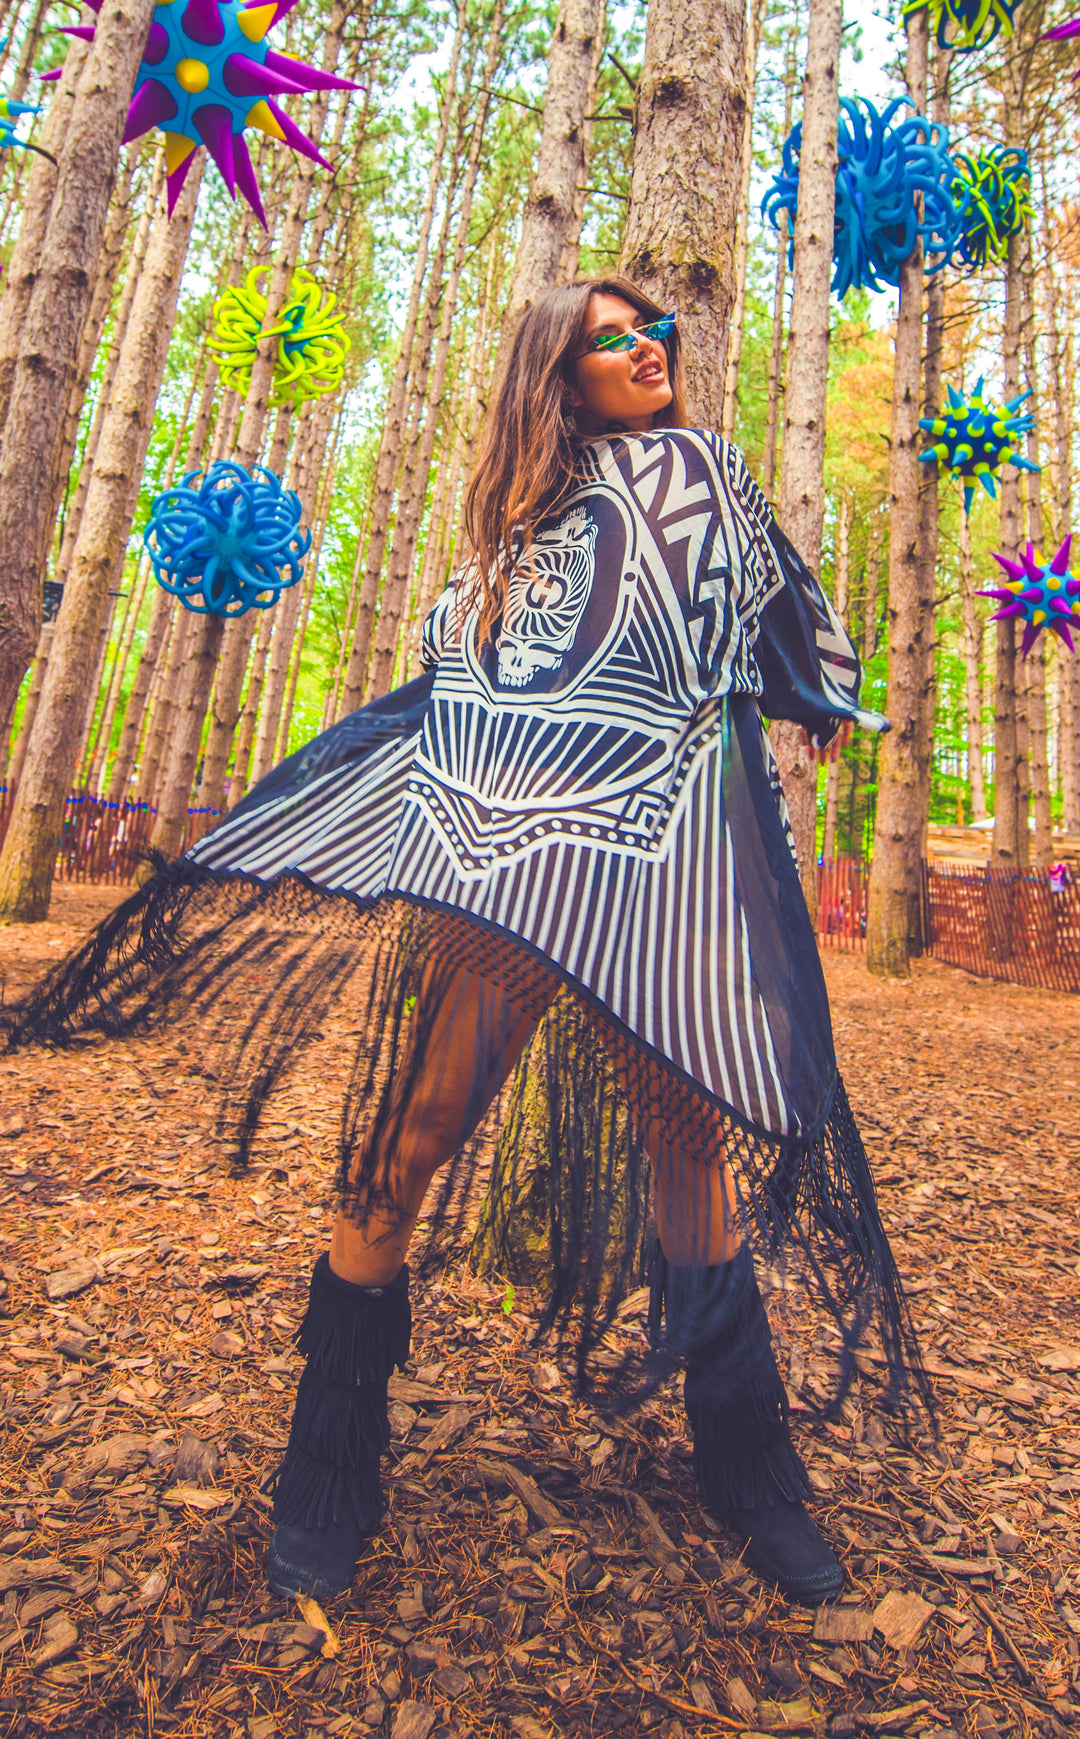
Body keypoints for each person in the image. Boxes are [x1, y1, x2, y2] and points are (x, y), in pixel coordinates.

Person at [11, 276, 922, 1612]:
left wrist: (815, 692)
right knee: (416, 1130)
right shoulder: (517, 528)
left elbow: (773, 603)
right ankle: (329, 1461)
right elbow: (467, 665)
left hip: (659, 865)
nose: (644, 347)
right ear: (558, 375)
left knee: (690, 1154)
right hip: (510, 864)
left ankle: (750, 1474)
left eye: (651, 330)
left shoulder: (709, 474)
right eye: (609, 338)